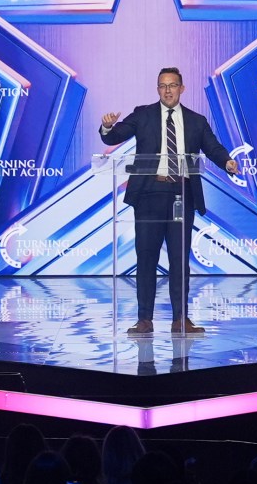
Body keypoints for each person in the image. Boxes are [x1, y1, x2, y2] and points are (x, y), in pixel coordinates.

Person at [96, 67, 237, 334]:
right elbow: (114, 136)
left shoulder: (196, 120)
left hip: (181, 196)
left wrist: (227, 161)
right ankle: (145, 319)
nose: (168, 90)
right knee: (146, 258)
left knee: (179, 260)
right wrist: (107, 125)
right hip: (149, 195)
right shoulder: (143, 115)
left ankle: (180, 319)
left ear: (182, 89)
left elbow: (213, 147)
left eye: (173, 85)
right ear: (157, 89)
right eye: (162, 86)